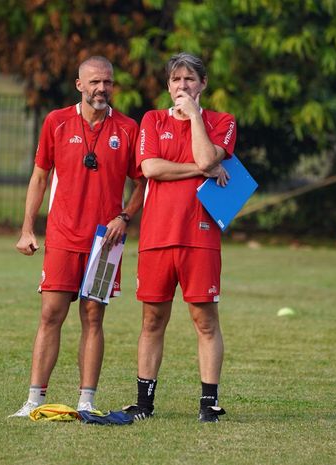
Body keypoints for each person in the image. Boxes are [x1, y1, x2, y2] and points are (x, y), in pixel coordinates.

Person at [9, 56, 145, 417]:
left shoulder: (129, 129)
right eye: (95, 82)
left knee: (93, 316)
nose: (102, 88)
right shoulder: (55, 121)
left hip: (106, 241)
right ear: (79, 85)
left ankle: (87, 401)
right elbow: (39, 178)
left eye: (109, 82)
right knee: (51, 315)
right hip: (62, 236)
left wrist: (124, 217)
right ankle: (33, 400)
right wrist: (27, 228)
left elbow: (142, 183)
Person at [122, 52, 236, 423]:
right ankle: (144, 402)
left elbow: (207, 158)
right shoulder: (152, 120)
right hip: (156, 236)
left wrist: (196, 120)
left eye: (189, 80)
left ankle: (209, 404)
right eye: (175, 81)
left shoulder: (223, 122)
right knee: (152, 321)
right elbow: (151, 168)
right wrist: (199, 170)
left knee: (205, 321)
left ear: (202, 84)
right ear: (167, 85)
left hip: (200, 238)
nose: (181, 87)